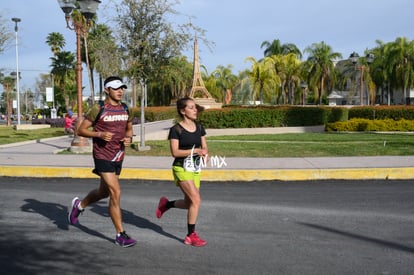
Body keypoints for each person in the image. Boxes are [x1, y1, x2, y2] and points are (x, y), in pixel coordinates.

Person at [68, 76, 136, 248]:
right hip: (102, 155)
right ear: (107, 90)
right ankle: (120, 234)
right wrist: (99, 134)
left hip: (118, 155)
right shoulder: (98, 108)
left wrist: (129, 139)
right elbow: (80, 130)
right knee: (115, 192)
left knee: (103, 192)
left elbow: (129, 128)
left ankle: (79, 205)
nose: (120, 91)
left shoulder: (126, 108)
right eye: (116, 88)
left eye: (122, 88)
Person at [156, 97, 209, 247]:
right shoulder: (176, 130)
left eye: (195, 107)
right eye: (191, 107)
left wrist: (205, 153)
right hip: (181, 168)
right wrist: (196, 151)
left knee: (189, 203)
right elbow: (175, 152)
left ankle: (166, 205)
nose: (195, 110)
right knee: (196, 200)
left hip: (195, 168)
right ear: (182, 111)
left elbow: (204, 147)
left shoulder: (199, 127)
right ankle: (191, 235)